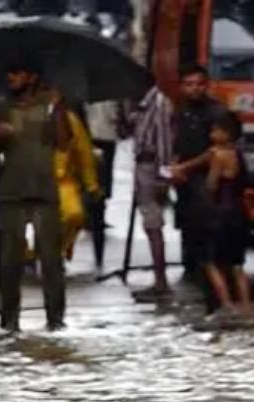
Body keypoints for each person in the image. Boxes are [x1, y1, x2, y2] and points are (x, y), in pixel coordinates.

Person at [0, 57, 67, 333]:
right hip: (12, 189)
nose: (11, 76)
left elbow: (62, 143)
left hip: (44, 190)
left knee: (50, 259)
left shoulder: (50, 104)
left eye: (17, 70)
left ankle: (56, 319)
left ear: (32, 76)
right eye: (9, 72)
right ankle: (9, 321)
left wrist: (58, 110)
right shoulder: (2, 106)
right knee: (10, 260)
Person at [168, 63, 232, 307]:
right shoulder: (182, 111)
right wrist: (175, 167)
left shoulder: (217, 113)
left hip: (210, 186)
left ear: (206, 85)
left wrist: (185, 167)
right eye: (189, 84)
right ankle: (204, 298)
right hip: (187, 185)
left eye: (198, 84)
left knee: (211, 246)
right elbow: (179, 144)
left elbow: (216, 150)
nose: (193, 89)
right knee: (192, 239)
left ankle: (218, 302)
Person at [200, 112, 253, 326]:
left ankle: (226, 304)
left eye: (215, 130)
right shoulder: (238, 154)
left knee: (211, 262)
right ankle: (247, 309)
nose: (212, 134)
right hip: (240, 212)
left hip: (222, 212)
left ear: (226, 133)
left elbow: (211, 185)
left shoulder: (218, 155)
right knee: (237, 265)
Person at [129, 82, 174, 302]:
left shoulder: (160, 99)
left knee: (153, 224)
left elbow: (164, 138)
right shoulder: (146, 101)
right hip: (145, 165)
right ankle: (160, 280)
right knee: (151, 225)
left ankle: (161, 281)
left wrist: (163, 174)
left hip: (151, 167)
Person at [48, 89, 100, 261]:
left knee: (74, 214)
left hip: (63, 180)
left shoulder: (70, 120)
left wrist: (91, 184)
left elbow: (84, 154)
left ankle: (57, 249)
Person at [84, 99, 124, 268]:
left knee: (100, 188)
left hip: (101, 138)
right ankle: (94, 214)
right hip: (99, 138)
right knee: (100, 187)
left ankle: (95, 214)